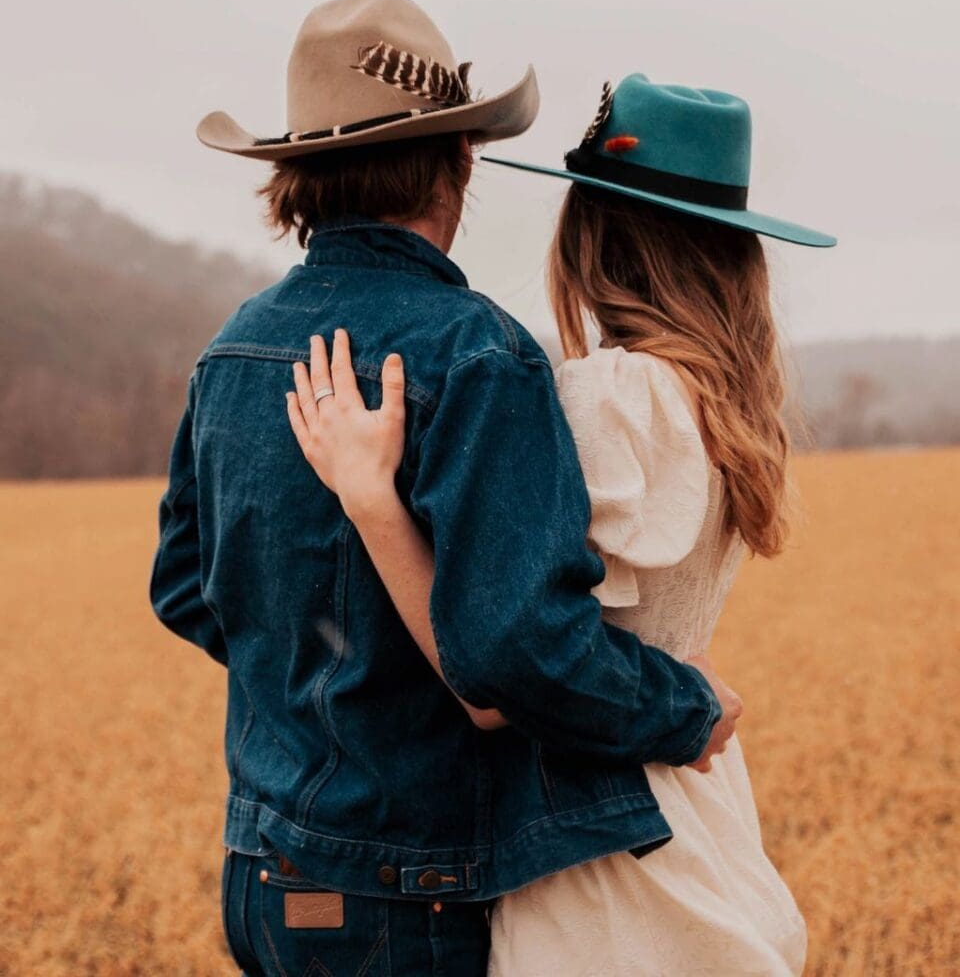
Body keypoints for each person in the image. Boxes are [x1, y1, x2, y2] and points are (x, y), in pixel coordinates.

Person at [150, 0, 737, 976]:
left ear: (296, 177)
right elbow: (515, 649)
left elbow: (184, 586)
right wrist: (686, 706)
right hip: (403, 897)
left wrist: (323, 667)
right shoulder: (478, 353)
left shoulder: (232, 350)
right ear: (459, 159)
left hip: (257, 870)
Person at [286, 73, 837, 974]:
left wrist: (371, 498)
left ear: (593, 236)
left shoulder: (608, 403)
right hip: (694, 809)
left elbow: (495, 675)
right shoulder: (724, 406)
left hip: (590, 842)